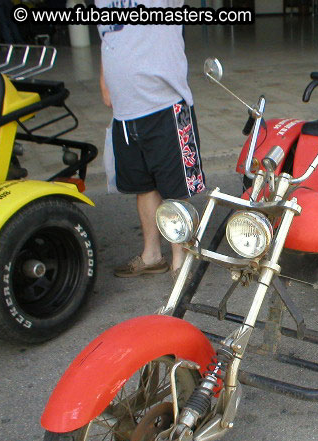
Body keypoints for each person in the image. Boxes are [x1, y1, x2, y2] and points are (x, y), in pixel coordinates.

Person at [97, 0, 206, 279]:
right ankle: (152, 255)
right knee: (142, 186)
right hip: (125, 111)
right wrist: (104, 77)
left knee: (174, 188)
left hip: (165, 105)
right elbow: (108, 36)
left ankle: (180, 261)